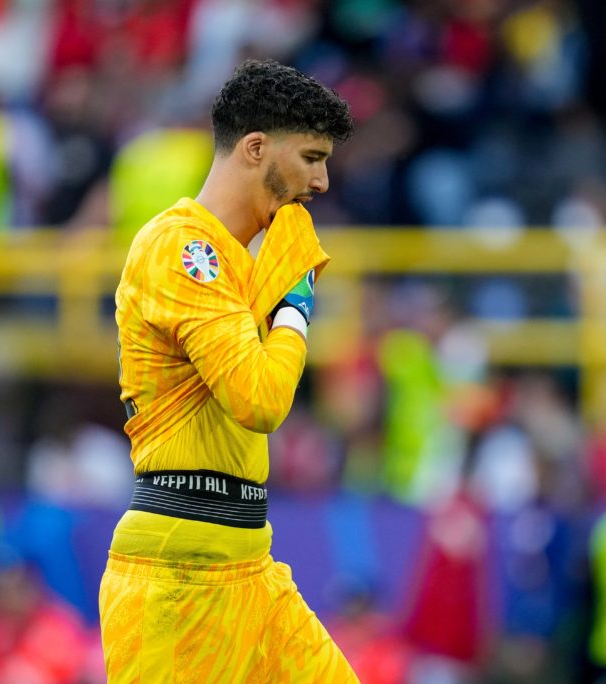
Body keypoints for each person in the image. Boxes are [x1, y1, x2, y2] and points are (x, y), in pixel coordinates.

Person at [97, 59, 356, 682]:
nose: (320, 182)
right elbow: (260, 400)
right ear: (256, 147)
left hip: (250, 564)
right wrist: (295, 305)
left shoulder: (237, 261)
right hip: (179, 578)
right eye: (312, 158)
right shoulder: (183, 250)